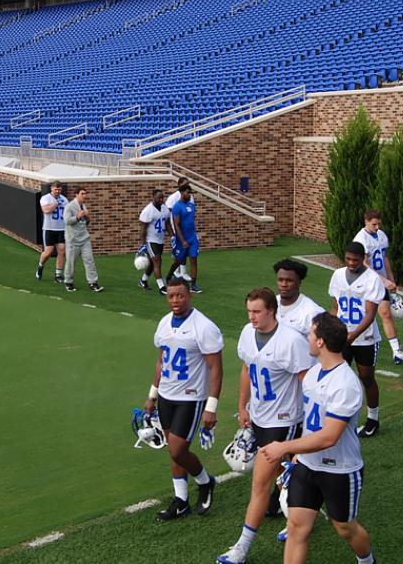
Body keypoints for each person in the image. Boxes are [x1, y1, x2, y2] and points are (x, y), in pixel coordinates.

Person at [261, 312, 376, 564]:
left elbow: (329, 437)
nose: (308, 339)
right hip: (308, 466)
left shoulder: (345, 383)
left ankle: (367, 560)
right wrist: (299, 456)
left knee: (344, 527)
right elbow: (311, 427)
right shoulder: (313, 374)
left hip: (340, 470)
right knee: (296, 527)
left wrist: (285, 447)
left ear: (321, 341)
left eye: (310, 334)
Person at [217, 288, 313, 564]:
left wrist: (308, 428)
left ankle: (242, 548)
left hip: (283, 421)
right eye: (249, 311)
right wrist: (242, 405)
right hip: (259, 417)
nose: (252, 317)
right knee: (287, 473)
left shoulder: (291, 341)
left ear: (272, 310)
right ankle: (299, 514)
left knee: (260, 484)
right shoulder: (248, 333)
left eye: (257, 311)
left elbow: (307, 384)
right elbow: (247, 368)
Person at [142, 277, 223, 521]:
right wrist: (152, 395)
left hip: (191, 397)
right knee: (173, 452)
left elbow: (216, 368)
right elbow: (161, 361)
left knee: (178, 450)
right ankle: (181, 501)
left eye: (180, 295)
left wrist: (211, 407)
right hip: (166, 394)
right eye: (171, 296)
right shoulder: (164, 323)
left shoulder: (204, 327)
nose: (175, 300)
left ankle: (205, 481)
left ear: (190, 295)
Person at [327, 242, 386, 438]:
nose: (352, 263)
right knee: (337, 377)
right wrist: (331, 328)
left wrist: (353, 335)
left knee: (366, 377)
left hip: (365, 338)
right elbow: (335, 308)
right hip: (343, 336)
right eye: (348, 259)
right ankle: (336, 419)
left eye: (356, 260)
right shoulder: (337, 275)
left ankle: (373, 418)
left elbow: (370, 314)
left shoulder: (372, 279)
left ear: (363, 259)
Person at [354, 209, 403, 364]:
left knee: (386, 314)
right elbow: (364, 264)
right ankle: (354, 343)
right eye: (374, 224)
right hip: (367, 283)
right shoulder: (361, 239)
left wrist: (390, 278)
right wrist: (382, 280)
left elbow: (384, 258)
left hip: (380, 282)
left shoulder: (381, 235)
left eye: (379, 223)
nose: (377, 227)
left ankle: (397, 352)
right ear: (365, 221)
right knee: (368, 316)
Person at [63, 187, 103, 292]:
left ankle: (93, 283)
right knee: (71, 262)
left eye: (85, 193)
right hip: (73, 240)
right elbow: (67, 221)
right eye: (82, 193)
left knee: (89, 261)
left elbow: (85, 223)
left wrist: (87, 217)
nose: (84, 196)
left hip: (84, 238)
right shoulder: (69, 207)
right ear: (76, 194)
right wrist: (77, 217)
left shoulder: (83, 206)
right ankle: (68, 282)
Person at [274, 258, 327, 338]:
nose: (283, 284)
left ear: (299, 283)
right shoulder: (270, 303)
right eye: (280, 280)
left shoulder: (313, 312)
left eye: (289, 281)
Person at [168, 182, 203, 293]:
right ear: (182, 193)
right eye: (188, 193)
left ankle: (193, 285)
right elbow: (176, 224)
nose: (190, 195)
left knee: (193, 259)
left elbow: (191, 222)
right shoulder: (177, 207)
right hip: (182, 239)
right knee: (178, 260)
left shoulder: (191, 206)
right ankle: (169, 276)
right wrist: (182, 240)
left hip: (192, 238)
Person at [138, 188, 171, 294]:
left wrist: (173, 236)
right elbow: (143, 229)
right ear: (153, 197)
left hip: (160, 239)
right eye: (159, 198)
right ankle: (162, 287)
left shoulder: (164, 208)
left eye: (162, 197)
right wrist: (143, 245)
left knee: (153, 264)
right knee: (157, 261)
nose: (161, 200)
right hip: (150, 240)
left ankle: (143, 281)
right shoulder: (148, 210)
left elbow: (167, 224)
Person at [35, 181, 68, 283]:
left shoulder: (64, 199)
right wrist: (56, 203)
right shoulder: (45, 198)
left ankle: (58, 275)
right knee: (48, 252)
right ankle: (40, 266)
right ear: (51, 189)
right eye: (55, 189)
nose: (57, 191)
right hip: (49, 229)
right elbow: (46, 210)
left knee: (62, 251)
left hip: (61, 229)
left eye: (59, 189)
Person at [165, 177, 192, 279]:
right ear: (179, 184)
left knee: (185, 251)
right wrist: (171, 232)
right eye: (185, 184)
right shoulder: (173, 197)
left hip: (187, 229)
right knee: (178, 251)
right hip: (176, 229)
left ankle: (183, 272)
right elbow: (168, 214)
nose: (188, 186)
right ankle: (176, 272)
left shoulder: (190, 196)